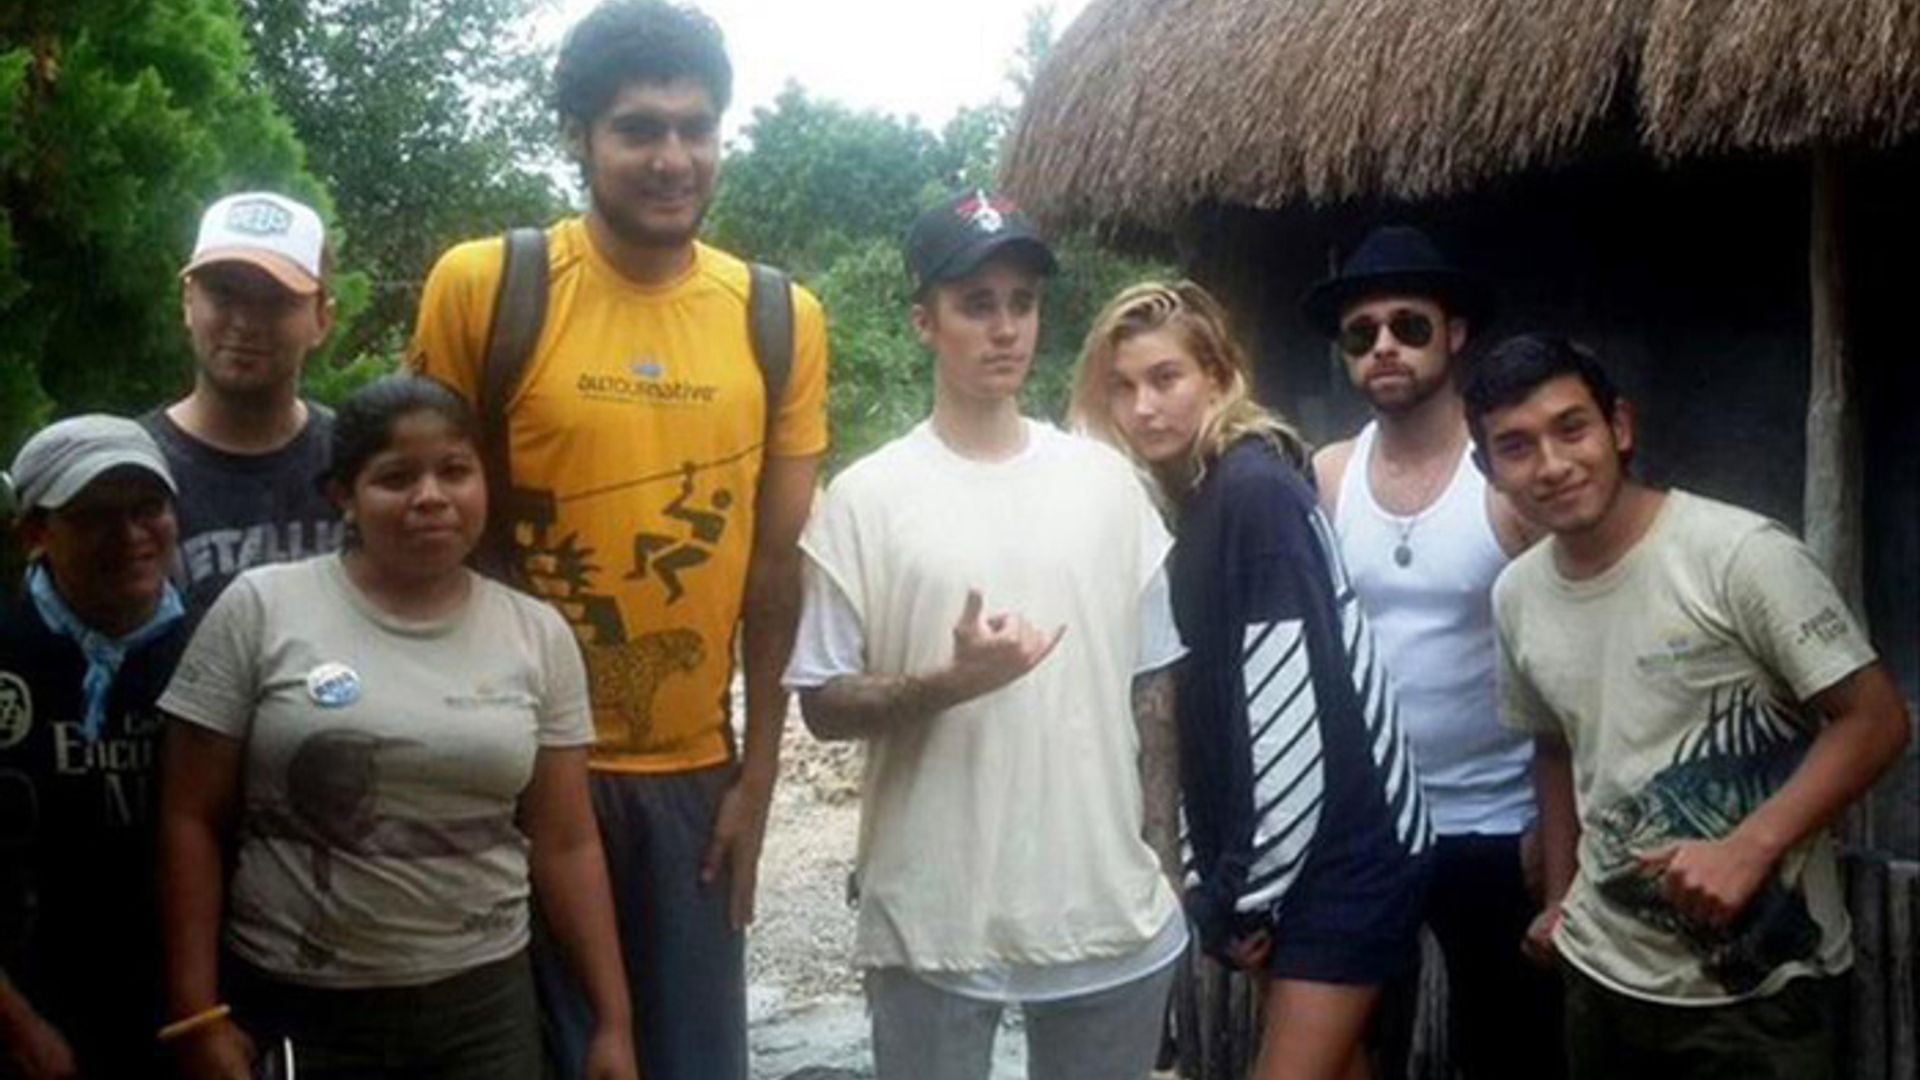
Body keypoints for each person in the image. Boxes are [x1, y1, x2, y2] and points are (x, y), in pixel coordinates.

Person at [409, 3, 827, 1073]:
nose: (672, 158)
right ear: (579, 138)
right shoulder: (488, 287)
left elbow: (773, 572)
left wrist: (759, 777)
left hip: (691, 775)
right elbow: (421, 524)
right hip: (508, 766)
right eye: (639, 129)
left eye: (698, 129)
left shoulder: (776, 319)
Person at [786, 192, 1187, 1080]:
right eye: (977, 304)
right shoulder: (868, 497)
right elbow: (821, 703)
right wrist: (949, 683)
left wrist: (1160, 863)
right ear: (924, 320)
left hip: (1102, 905)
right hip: (934, 919)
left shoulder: (1108, 486)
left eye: (1023, 302)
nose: (1005, 328)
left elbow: (1154, 687)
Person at [155, 376, 637, 1080]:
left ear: (484, 481)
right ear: (342, 497)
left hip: (482, 1009)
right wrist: (197, 1014)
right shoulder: (263, 608)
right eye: (395, 477)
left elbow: (566, 843)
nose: (431, 497)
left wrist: (613, 1023)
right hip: (297, 1005)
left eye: (455, 471)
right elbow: (188, 817)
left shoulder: (537, 635)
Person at [1463, 335, 1911, 1079]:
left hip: (1760, 987)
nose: (1552, 463)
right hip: (1600, 974)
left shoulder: (1738, 555)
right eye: (1515, 446)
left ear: (1620, 427)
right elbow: (1554, 742)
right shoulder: (1517, 593)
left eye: (1572, 428)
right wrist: (1559, 893)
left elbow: (1876, 720)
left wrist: (1749, 845)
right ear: (1488, 471)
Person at [1073, 281, 1432, 1080]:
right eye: (1122, 388)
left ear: (1217, 375)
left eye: (1165, 378)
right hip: (1299, 850)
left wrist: (1247, 893)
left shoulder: (1252, 492)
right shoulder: (1203, 496)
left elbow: (1286, 705)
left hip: (1344, 852)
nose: (1143, 407)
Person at [1302, 226, 1558, 1076]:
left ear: (1454, 335)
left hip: (1497, 824)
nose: (1383, 346)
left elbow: (1568, 657)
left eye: (1408, 326)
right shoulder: (1328, 476)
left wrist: (1561, 830)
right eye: (1361, 332)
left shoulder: (1507, 482)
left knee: (1510, 1046)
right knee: (1358, 1046)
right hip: (1369, 823)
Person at [0, 416, 187, 1078]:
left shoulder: (220, 649)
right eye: (95, 516)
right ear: (35, 532)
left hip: (190, 1011)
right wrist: (15, 1023)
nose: (132, 535)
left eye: (148, 509)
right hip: (28, 1012)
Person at [144, 190, 344, 615]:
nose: (246, 322)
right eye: (224, 294)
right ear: (187, 302)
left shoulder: (357, 462)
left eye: (276, 301)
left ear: (322, 319)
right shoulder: (132, 469)